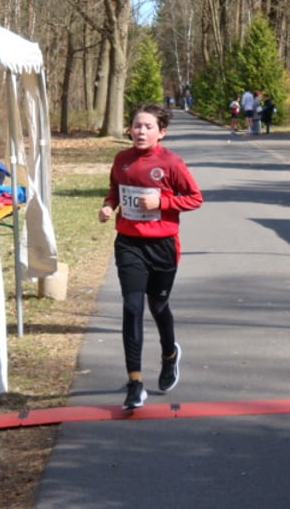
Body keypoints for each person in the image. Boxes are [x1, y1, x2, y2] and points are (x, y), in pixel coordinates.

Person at [98, 103, 203, 410]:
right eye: (136, 126)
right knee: (132, 308)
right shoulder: (122, 160)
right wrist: (108, 206)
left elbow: (195, 198)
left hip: (162, 246)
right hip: (129, 243)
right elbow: (114, 190)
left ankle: (169, 354)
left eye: (147, 127)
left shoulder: (171, 163)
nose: (140, 131)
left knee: (158, 306)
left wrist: (162, 202)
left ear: (161, 132)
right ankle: (135, 384)